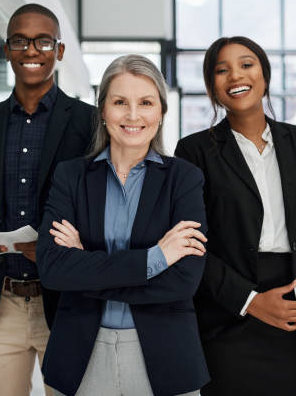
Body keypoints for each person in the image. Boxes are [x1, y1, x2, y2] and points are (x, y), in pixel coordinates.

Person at [175, 36, 296, 396]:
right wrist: (249, 301)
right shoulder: (194, 151)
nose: (236, 75)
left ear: (264, 75)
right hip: (227, 317)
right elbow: (191, 245)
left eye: (246, 64)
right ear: (212, 86)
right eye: (222, 70)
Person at [36, 55, 210, 396]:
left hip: (165, 355)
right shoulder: (70, 176)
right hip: (81, 352)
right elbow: (54, 270)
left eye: (145, 102)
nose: (133, 115)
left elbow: (183, 282)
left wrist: (85, 266)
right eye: (120, 102)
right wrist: (155, 258)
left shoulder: (184, 179)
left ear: (160, 112)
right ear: (102, 110)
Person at [0, 3, 94, 396]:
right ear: (7, 49)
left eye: (43, 41)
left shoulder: (90, 123)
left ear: (59, 51)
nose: (32, 50)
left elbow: (101, 213)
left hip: (64, 303)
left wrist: (54, 247)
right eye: (20, 41)